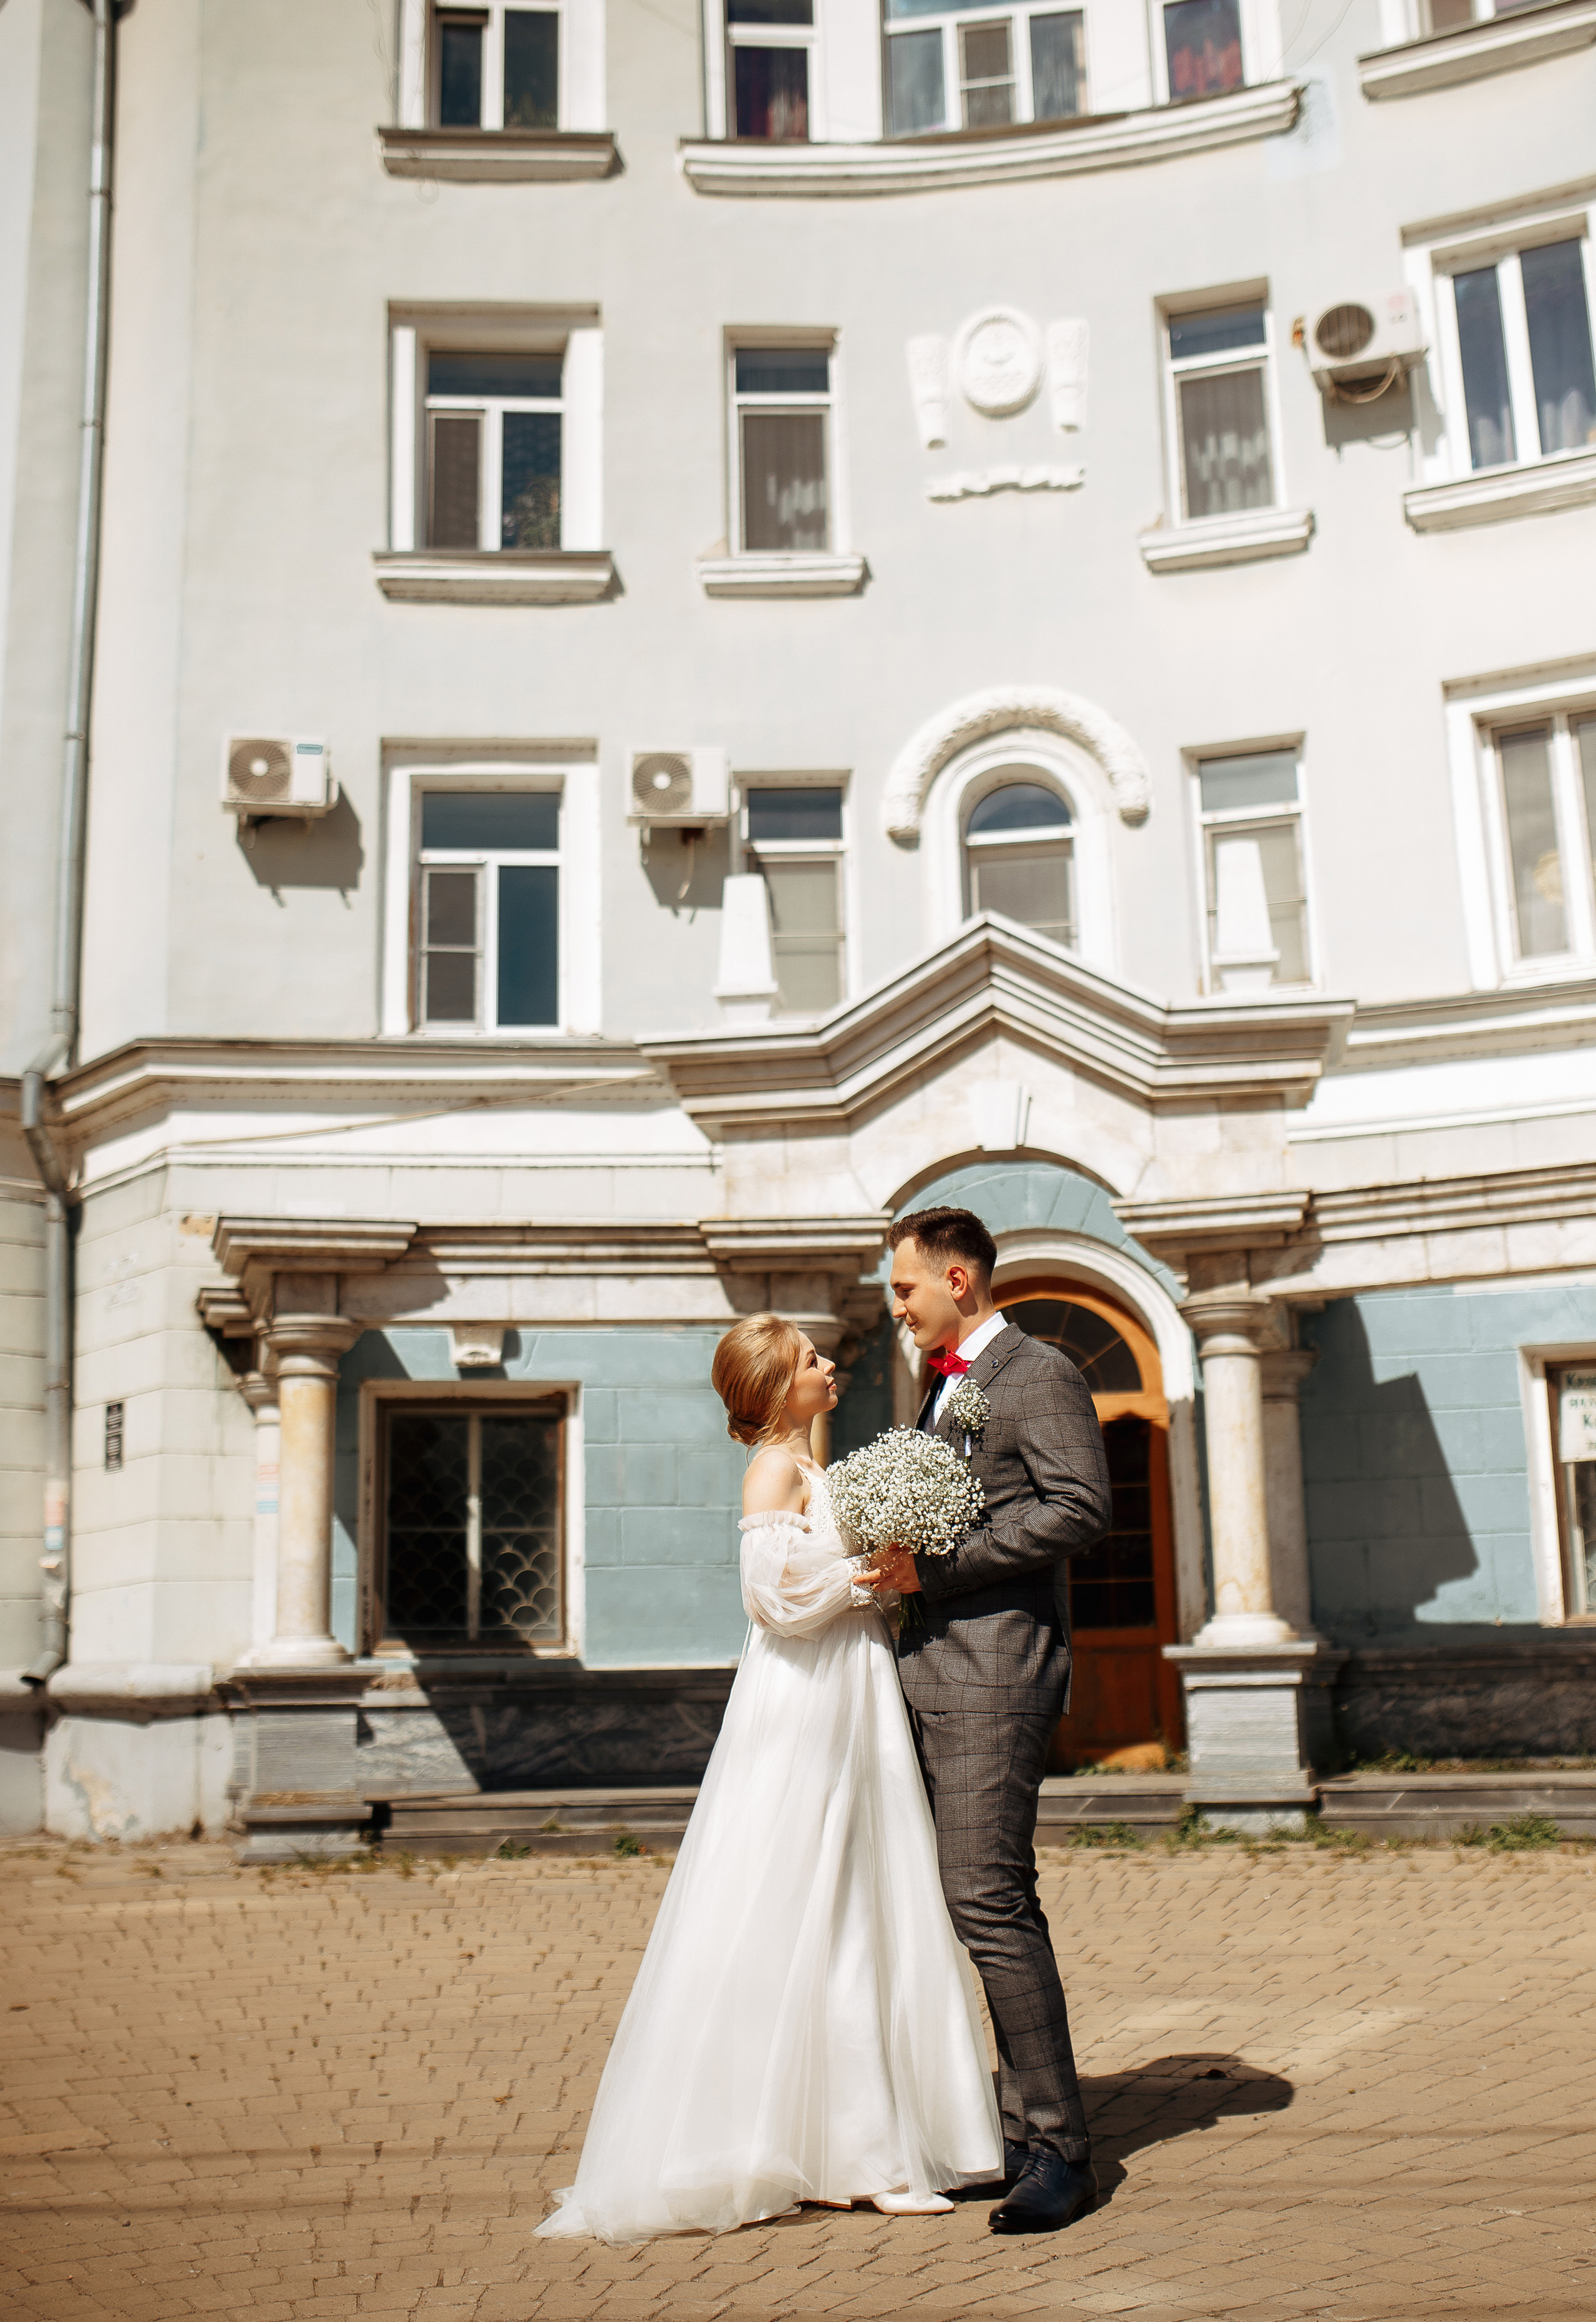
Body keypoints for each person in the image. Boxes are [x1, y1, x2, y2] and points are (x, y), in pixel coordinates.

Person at [536, 1311, 1002, 2247]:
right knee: (823, 1895)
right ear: (775, 1389)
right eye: (813, 1362)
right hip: (809, 1700)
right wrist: (875, 1578)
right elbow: (775, 1599)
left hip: (849, 1686)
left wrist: (879, 1572)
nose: (831, 1368)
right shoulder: (775, 1470)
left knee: (853, 1898)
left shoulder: (814, 1469)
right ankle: (865, 2156)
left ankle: (835, 2147)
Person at [859, 1206, 1113, 2235]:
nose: (897, 1306)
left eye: (905, 1289)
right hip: (931, 1673)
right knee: (970, 1904)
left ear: (958, 1280)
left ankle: (1061, 2151)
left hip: (996, 1677)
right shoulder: (944, 1387)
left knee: (988, 1905)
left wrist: (940, 1565)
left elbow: (1079, 1508)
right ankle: (1007, 2126)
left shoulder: (1038, 1373)